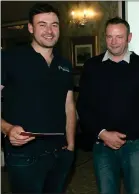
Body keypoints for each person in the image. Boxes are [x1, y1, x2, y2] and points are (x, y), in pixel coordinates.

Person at [1, 3, 76, 193]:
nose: (49, 31)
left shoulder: (65, 65)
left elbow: (69, 105)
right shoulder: (9, 58)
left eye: (54, 25)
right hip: (24, 156)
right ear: (30, 28)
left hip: (60, 153)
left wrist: (71, 145)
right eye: (42, 24)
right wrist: (8, 129)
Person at [76, 17, 139, 194]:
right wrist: (103, 134)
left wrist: (121, 136)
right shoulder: (91, 66)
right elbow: (83, 106)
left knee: (137, 191)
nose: (114, 42)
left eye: (119, 37)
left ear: (129, 37)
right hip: (101, 144)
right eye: (110, 37)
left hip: (134, 145)